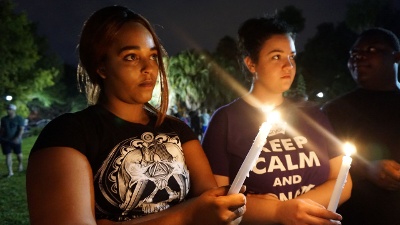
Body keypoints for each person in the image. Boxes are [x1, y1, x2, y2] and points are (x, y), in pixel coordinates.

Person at [26, 5, 245, 225]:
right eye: (131, 57)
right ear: (101, 67)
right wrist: (186, 215)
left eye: (152, 55)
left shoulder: (177, 130)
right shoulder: (68, 134)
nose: (149, 67)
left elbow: (212, 203)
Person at [202, 15, 351, 225]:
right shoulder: (226, 120)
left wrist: (293, 210)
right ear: (251, 63)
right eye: (276, 57)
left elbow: (343, 181)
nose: (288, 65)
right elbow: (215, 199)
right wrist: (278, 212)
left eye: (292, 56)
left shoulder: (312, 114)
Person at [322, 27, 400, 225]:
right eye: (354, 53)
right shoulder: (334, 110)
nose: (359, 57)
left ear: (397, 57)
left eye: (372, 50)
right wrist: (367, 169)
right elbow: (320, 160)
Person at [0, 104, 24, 177]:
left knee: (18, 154)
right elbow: (2, 129)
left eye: (10, 109)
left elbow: (21, 129)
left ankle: (20, 164)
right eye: (7, 109)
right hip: (5, 140)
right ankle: (10, 172)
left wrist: (17, 138)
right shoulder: (4, 119)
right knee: (8, 155)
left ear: (14, 110)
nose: (8, 111)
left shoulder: (19, 118)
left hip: (16, 140)